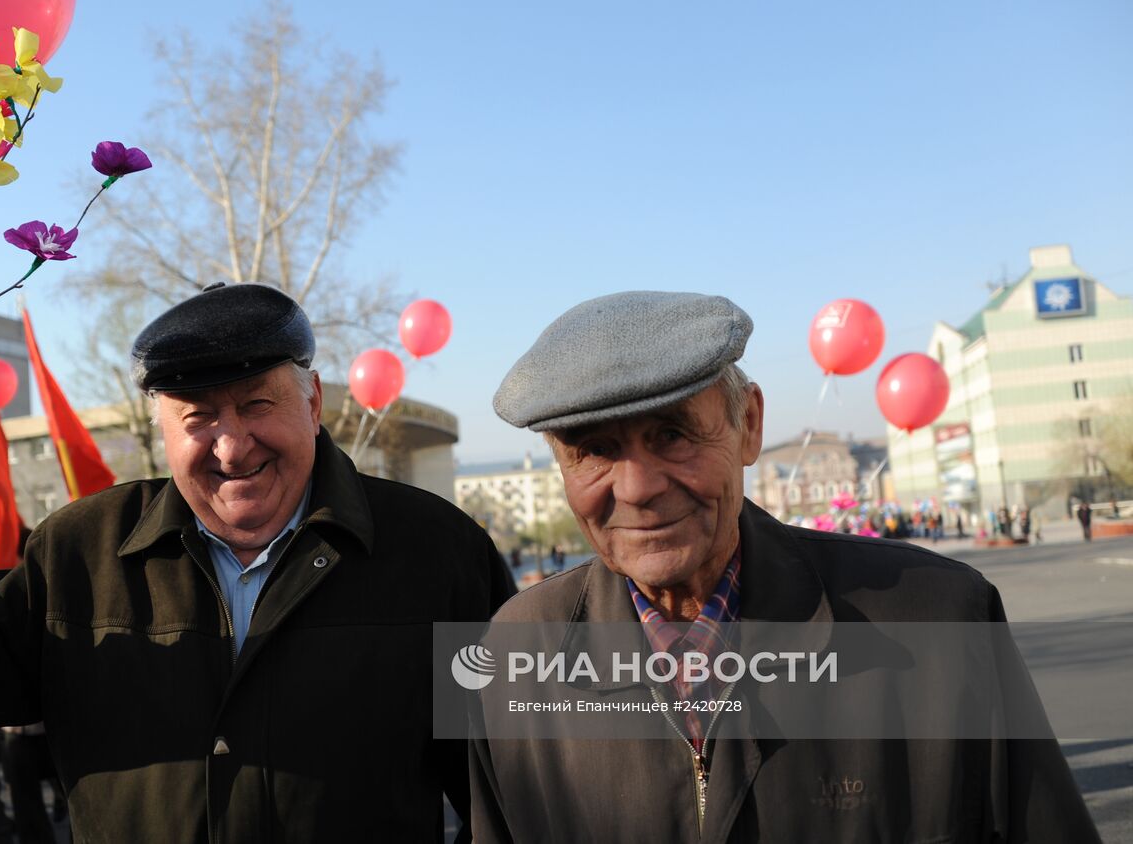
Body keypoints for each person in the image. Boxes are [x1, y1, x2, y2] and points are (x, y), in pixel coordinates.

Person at [0, 282, 514, 841]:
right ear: (160, 430)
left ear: (312, 401)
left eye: (255, 405)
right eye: (198, 419)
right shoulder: (78, 553)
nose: (231, 445)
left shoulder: (439, 551)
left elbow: (521, 790)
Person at [469, 290, 1096, 842]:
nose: (636, 488)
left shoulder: (941, 619)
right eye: (596, 451)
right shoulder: (513, 659)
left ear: (748, 426)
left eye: (671, 435)